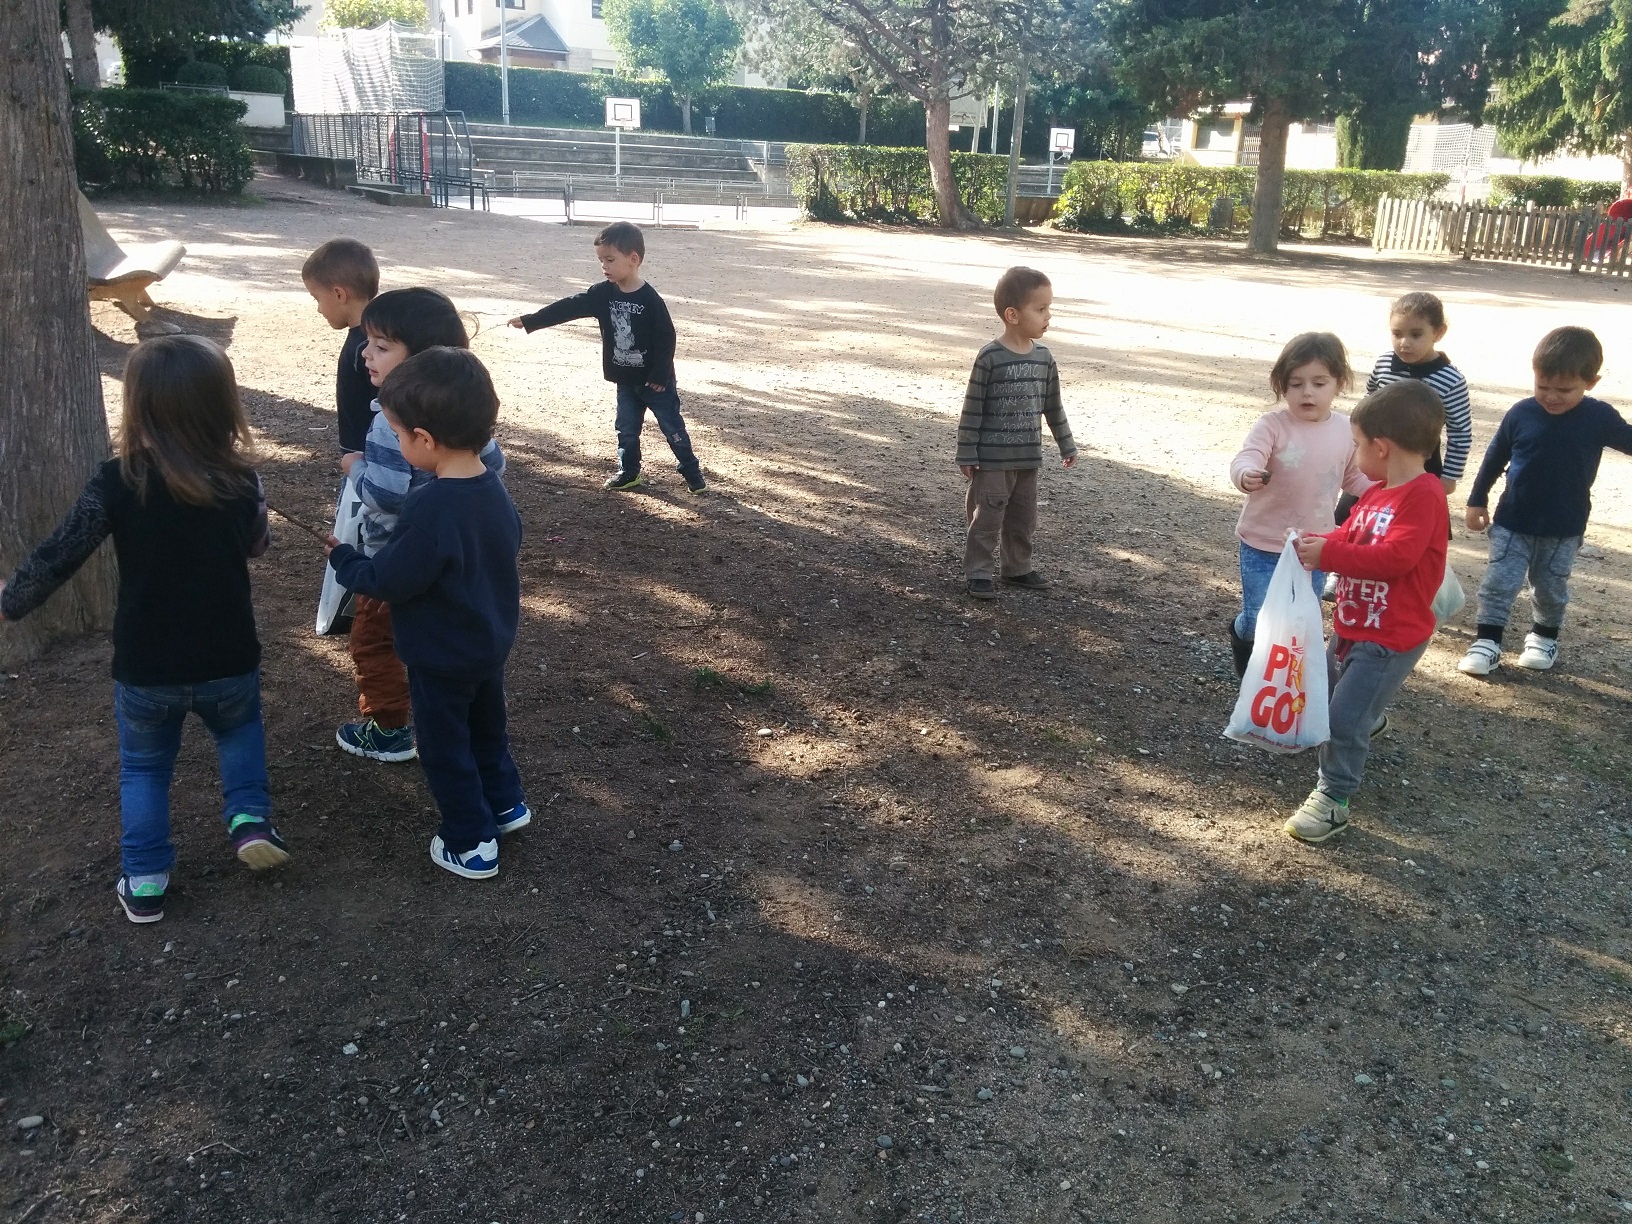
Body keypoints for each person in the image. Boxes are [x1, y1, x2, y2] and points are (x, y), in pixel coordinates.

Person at [0, 337, 289, 923]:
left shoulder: (117, 480)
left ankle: (146, 878)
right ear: (221, 404)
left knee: (145, 768)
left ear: (140, 405)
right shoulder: (242, 478)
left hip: (146, 665)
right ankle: (250, 821)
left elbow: (60, 553)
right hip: (228, 654)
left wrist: (11, 602)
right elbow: (258, 545)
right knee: (239, 734)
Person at [326, 348, 529, 881]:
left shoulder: (431, 505)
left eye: (397, 435)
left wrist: (347, 561)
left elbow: (391, 579)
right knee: (487, 730)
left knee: (444, 747)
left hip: (440, 657)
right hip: (488, 645)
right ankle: (506, 805)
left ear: (424, 439)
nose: (396, 444)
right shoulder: (494, 488)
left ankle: (471, 841)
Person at [334, 287, 505, 764]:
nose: (364, 353)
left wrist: (355, 467)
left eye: (381, 346)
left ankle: (387, 728)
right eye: (366, 342)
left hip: (391, 560)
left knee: (375, 641)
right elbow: (493, 464)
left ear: (420, 359)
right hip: (455, 562)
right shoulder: (464, 412)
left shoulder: (389, 424)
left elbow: (387, 496)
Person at [1285, 381, 1449, 843]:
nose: (1354, 454)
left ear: (1381, 447)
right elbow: (1350, 535)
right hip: (1354, 625)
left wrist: (1330, 556)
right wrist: (1319, 543)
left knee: (1342, 720)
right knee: (1331, 695)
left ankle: (1333, 799)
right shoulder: (1378, 491)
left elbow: (1397, 557)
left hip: (1391, 636)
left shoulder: (1423, 495)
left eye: (1357, 444)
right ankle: (1366, 715)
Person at [1458, 326, 1632, 675]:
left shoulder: (1599, 417)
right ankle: (1487, 641)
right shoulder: (1521, 413)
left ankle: (1543, 637)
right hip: (1512, 521)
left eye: (1564, 390)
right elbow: (1495, 457)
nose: (1551, 397)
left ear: (1591, 382)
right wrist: (1477, 499)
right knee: (1498, 582)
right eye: (1542, 386)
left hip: (1563, 526)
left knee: (1550, 587)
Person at [508, 221, 706, 493]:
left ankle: (692, 473)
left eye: (610, 260)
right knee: (626, 429)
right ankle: (628, 472)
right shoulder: (602, 294)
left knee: (672, 428)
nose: (604, 266)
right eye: (601, 260)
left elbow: (666, 338)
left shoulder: (650, 299)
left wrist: (660, 376)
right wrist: (531, 320)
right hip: (626, 381)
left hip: (655, 384)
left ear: (633, 259)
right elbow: (568, 307)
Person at [1228, 333, 1372, 676]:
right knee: (1259, 619)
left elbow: (1354, 477)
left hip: (1314, 545)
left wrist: (1386, 493)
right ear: (1283, 386)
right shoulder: (1272, 425)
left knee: (1301, 619)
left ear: (1339, 383)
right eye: (1296, 384)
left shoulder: (1346, 429)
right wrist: (1246, 474)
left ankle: (1281, 681)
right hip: (1262, 542)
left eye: (1319, 383)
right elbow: (1247, 457)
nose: (1307, 392)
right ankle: (1246, 655)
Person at [956, 266, 1077, 601]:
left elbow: (1053, 406)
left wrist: (1066, 444)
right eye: (1040, 309)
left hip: (1028, 459)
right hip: (992, 461)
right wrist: (967, 452)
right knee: (988, 516)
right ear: (1012, 315)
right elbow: (972, 408)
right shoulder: (990, 357)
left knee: (1023, 518)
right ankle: (979, 572)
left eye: (1049, 308)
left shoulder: (1044, 359)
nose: (1048, 316)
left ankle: (1017, 568)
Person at [302, 238, 380, 454]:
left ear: (339, 294)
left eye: (317, 298)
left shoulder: (366, 346)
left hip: (369, 455)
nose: (319, 309)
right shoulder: (373, 338)